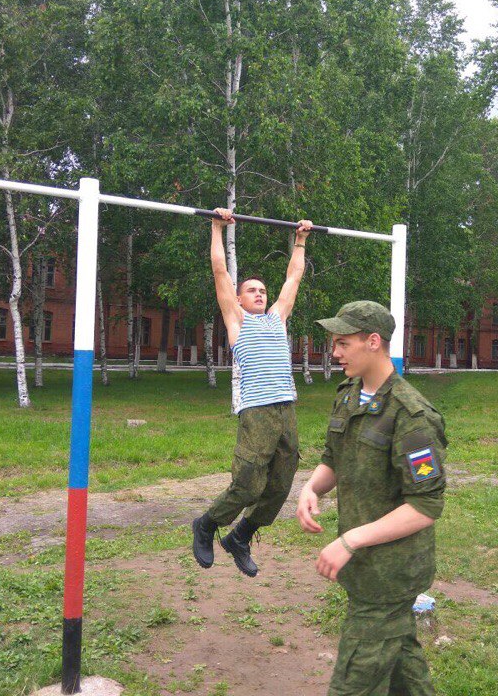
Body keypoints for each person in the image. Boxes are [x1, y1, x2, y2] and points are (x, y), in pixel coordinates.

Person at [296, 301, 447, 696]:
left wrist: (350, 540)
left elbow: (425, 507)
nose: (335, 352)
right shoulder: (348, 394)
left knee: (354, 680)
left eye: (343, 343)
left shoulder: (413, 416)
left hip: (391, 573)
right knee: (402, 664)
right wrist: (310, 488)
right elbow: (333, 459)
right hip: (366, 568)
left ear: (373, 342)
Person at [191, 208, 313, 577]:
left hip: (285, 408)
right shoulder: (236, 320)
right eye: (252, 290)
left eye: (262, 290)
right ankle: (208, 524)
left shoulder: (277, 317)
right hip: (257, 410)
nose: (259, 294)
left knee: (281, 482)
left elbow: (294, 276)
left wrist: (300, 239)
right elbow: (219, 271)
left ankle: (241, 535)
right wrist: (216, 228)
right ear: (239, 299)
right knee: (247, 482)